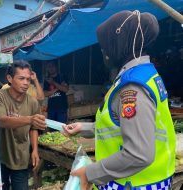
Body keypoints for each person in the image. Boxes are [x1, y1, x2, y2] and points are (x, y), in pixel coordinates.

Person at [62, 10, 176, 190]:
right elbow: (125, 125)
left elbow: (139, 154)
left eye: (105, 45)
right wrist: (84, 128)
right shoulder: (143, 75)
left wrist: (90, 173)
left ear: (119, 44)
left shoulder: (132, 88)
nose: (103, 51)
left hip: (135, 184)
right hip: (149, 179)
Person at [0, 60, 47, 190]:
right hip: (0, 156)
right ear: (9, 78)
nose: (25, 83)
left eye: (28, 79)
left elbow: (34, 128)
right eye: (21, 78)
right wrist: (30, 119)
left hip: (21, 156)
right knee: (1, 187)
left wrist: (35, 149)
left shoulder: (33, 102)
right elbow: (2, 121)